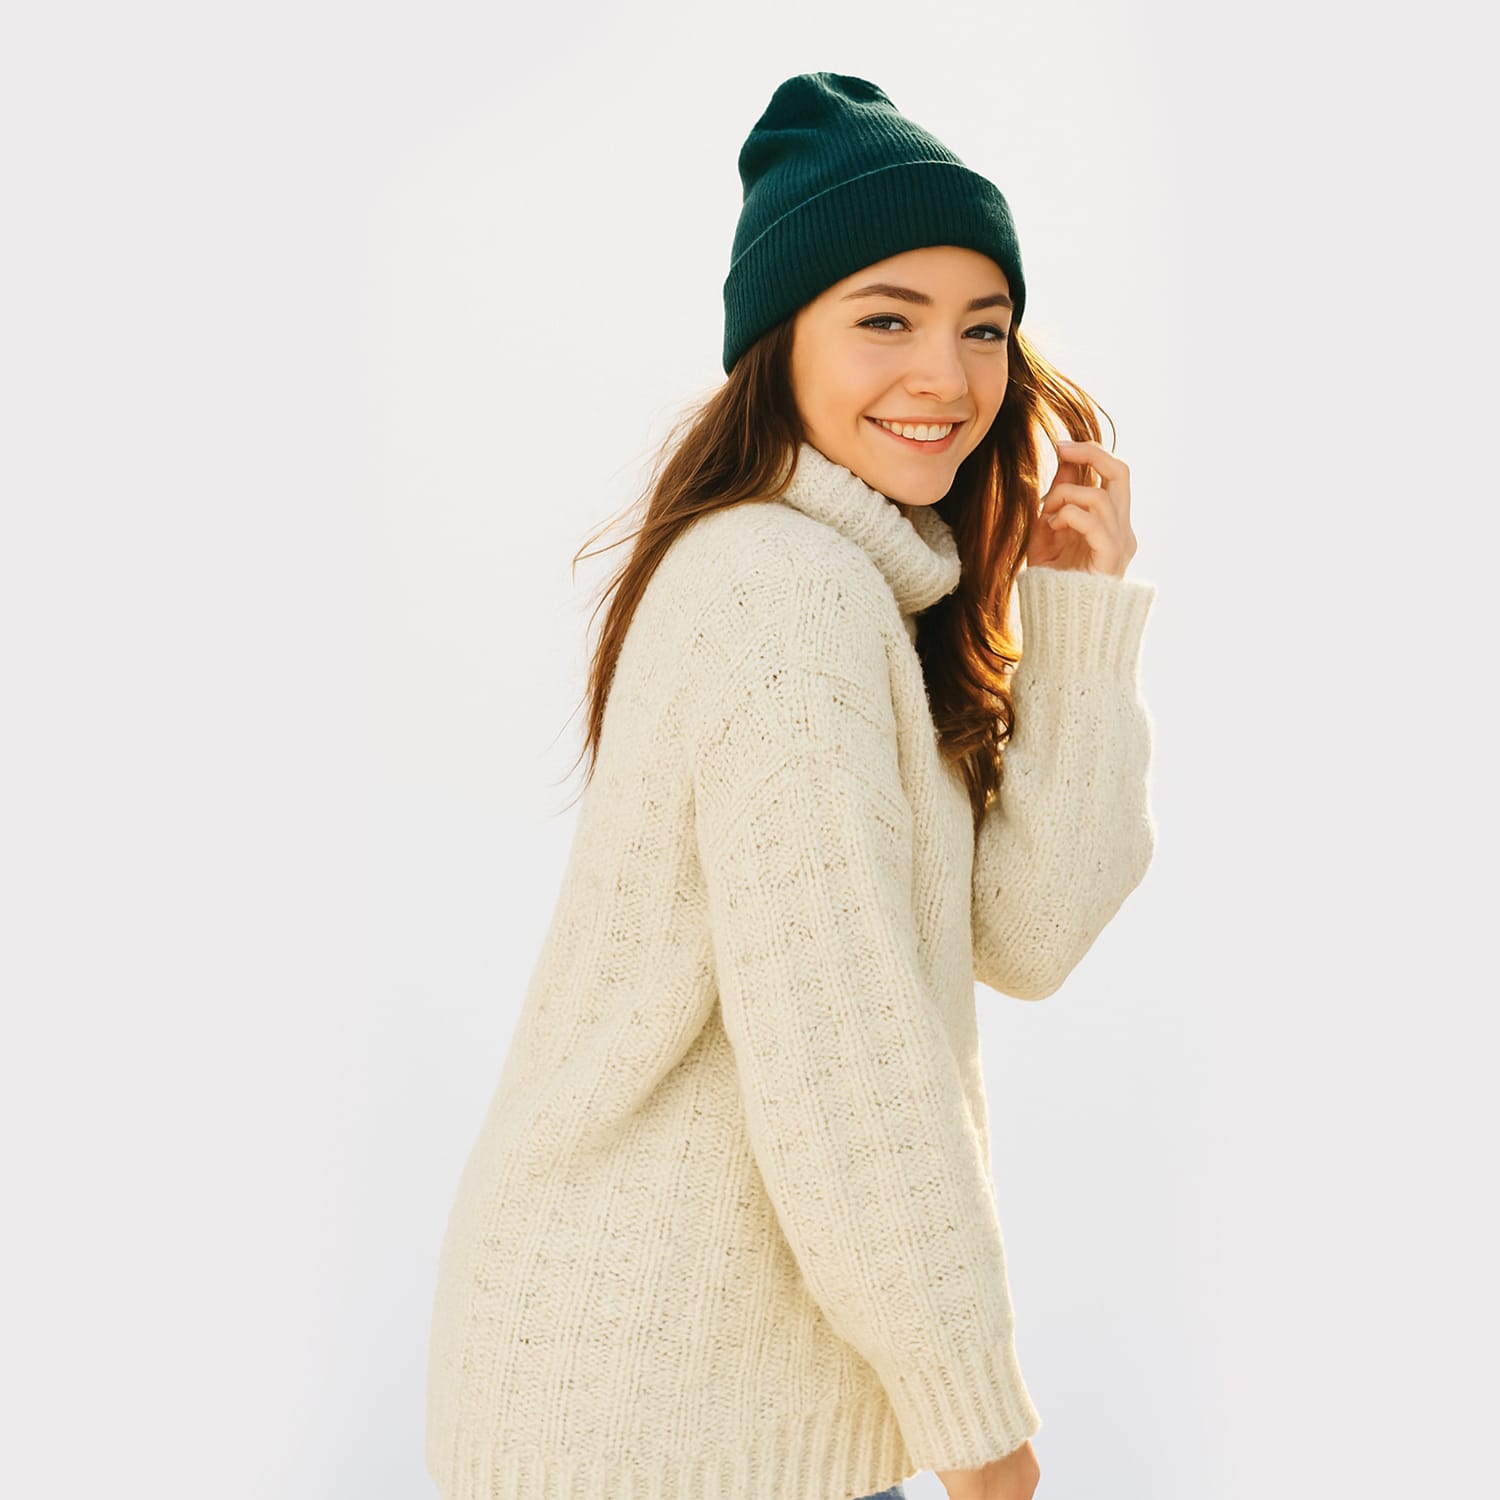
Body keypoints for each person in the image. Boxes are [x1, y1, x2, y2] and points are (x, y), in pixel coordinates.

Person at [423, 71, 1157, 1500]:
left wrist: (1075, 625)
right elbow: (847, 1065)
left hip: (729, 1416)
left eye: (983, 328)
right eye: (886, 318)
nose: (945, 375)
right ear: (781, 341)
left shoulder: (855, 592)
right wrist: (987, 1443)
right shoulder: (780, 594)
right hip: (654, 1425)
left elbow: (1033, 931)